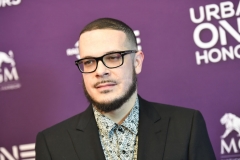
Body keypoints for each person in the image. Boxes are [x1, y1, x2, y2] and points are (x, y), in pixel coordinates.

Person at [35, 18, 216, 160]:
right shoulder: (52, 143)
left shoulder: (186, 126)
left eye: (113, 57)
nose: (100, 71)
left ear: (137, 62)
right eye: (89, 62)